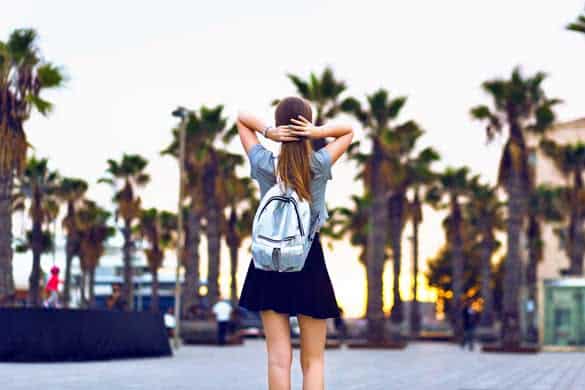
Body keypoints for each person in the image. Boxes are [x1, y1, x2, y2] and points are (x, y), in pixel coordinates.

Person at [237, 97, 353, 389]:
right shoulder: (318, 163)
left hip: (268, 262)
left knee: (278, 358)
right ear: (307, 124)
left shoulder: (265, 164)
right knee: (313, 361)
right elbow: (349, 131)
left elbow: (241, 117)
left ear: (279, 126)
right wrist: (315, 132)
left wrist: (267, 131)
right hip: (307, 260)